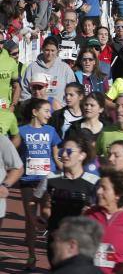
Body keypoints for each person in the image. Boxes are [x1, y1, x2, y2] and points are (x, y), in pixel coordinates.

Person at [19, 98, 61, 269]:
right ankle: (31, 256)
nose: (49, 115)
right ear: (35, 112)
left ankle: (53, 251)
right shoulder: (21, 131)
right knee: (30, 219)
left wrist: (65, 171)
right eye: (46, 111)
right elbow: (12, 155)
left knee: (47, 214)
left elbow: (57, 156)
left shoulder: (51, 131)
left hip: (47, 179)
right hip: (27, 180)